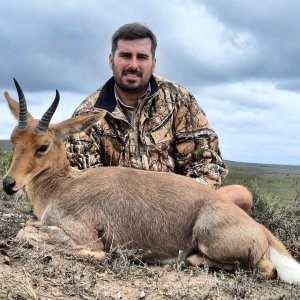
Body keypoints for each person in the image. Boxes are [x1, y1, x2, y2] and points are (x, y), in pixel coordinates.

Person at [65, 22, 253, 213]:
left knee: (239, 196)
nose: (133, 64)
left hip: (179, 209)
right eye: (125, 56)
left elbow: (207, 164)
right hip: (120, 216)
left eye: (142, 57)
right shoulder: (86, 117)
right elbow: (84, 183)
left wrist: (175, 205)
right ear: (111, 60)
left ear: (153, 63)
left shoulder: (179, 99)